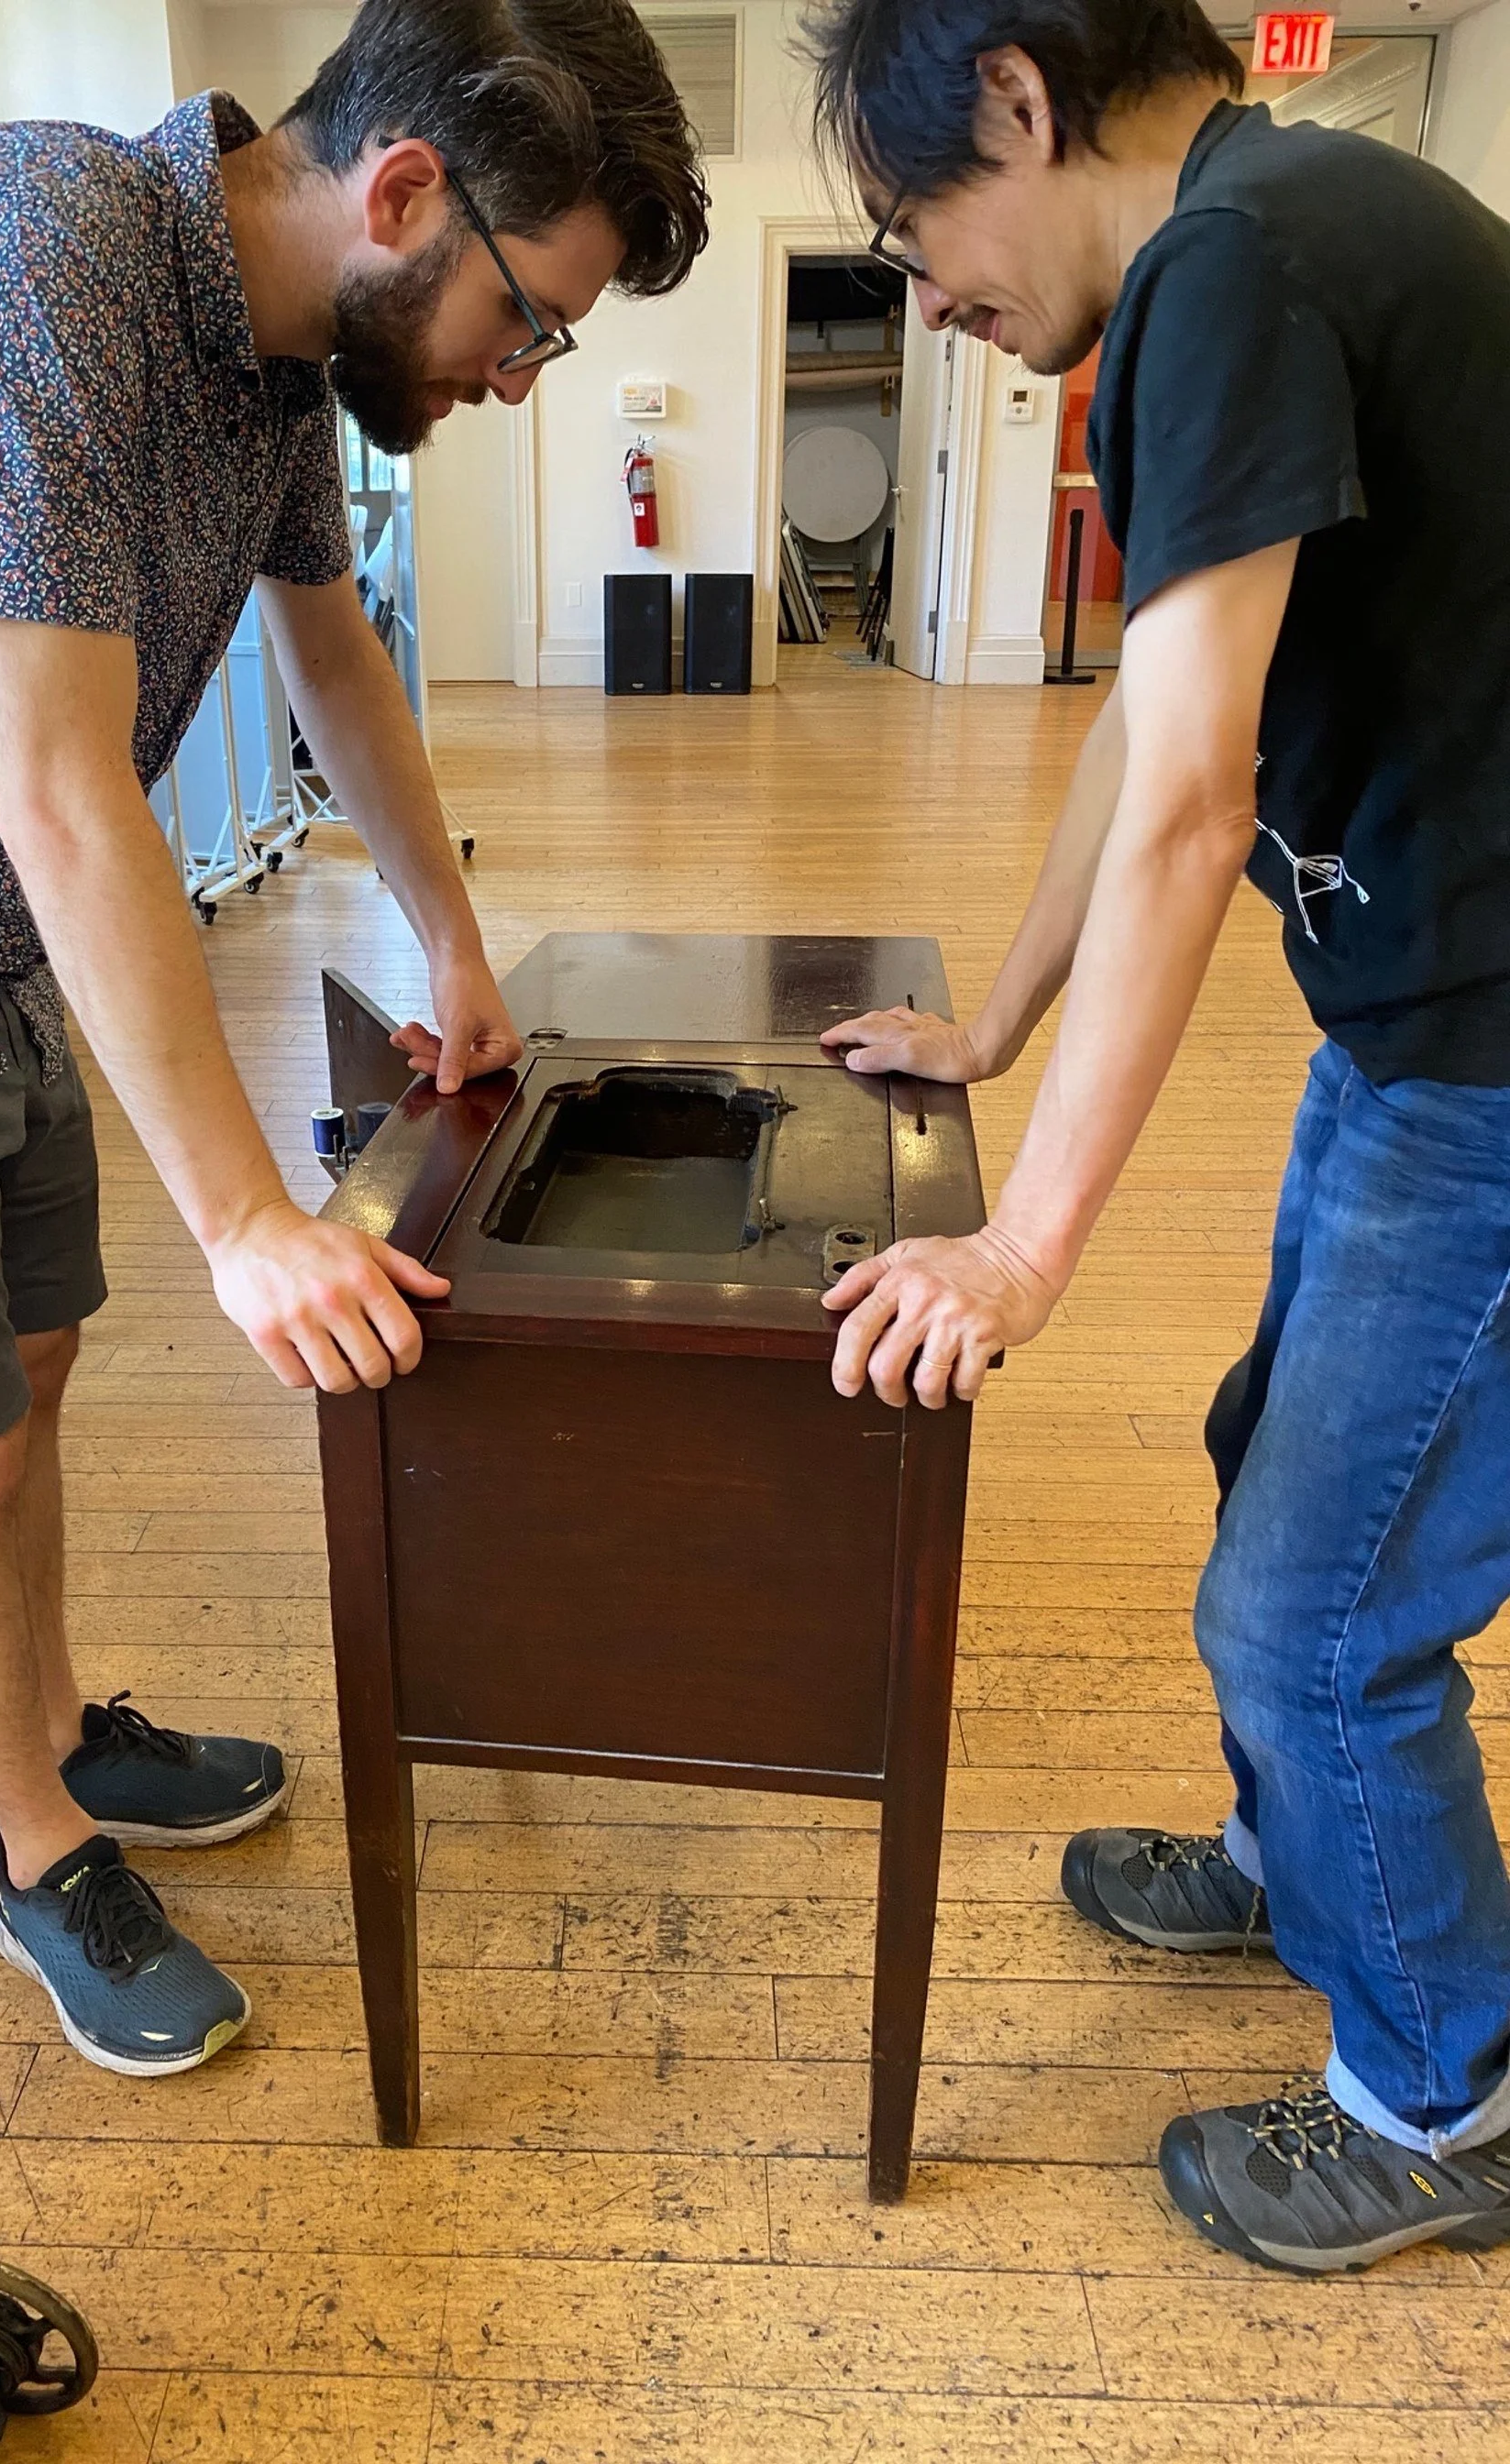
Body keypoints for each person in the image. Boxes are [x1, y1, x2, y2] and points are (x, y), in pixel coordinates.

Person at [0, 0, 707, 2076]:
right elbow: (65, 791)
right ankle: (33, 1850)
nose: (520, 376)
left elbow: (337, 659)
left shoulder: (275, 361)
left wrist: (451, 942)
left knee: (32, 1358)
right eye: (533, 321)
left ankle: (43, 1735)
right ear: (405, 192)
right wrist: (245, 1218)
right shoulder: (37, 253)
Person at [803, 0, 1510, 2272]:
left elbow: (1204, 807)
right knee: (1272, 1460)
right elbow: (1152, 730)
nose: (934, 302)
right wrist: (994, 1024)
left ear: (1020, 99)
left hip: (1493, 1060)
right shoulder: (1275, 233)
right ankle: (1310, 1863)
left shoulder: (1239, 263)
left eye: (920, 233)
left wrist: (1024, 1251)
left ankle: (1442, 2099)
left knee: (1315, 1612)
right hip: (1426, 1030)